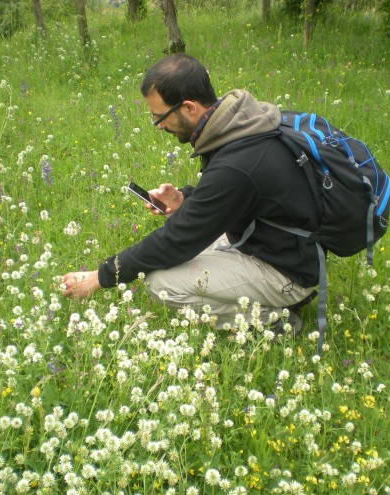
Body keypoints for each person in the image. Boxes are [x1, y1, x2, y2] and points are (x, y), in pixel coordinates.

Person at [61, 53, 320, 332]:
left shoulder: (238, 161)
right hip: (278, 244)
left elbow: (177, 241)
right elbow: (241, 195)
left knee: (159, 280)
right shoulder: (241, 123)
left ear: (189, 107)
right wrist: (185, 199)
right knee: (178, 238)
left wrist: (100, 277)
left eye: (160, 117)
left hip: (287, 271)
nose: (159, 126)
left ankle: (275, 322)